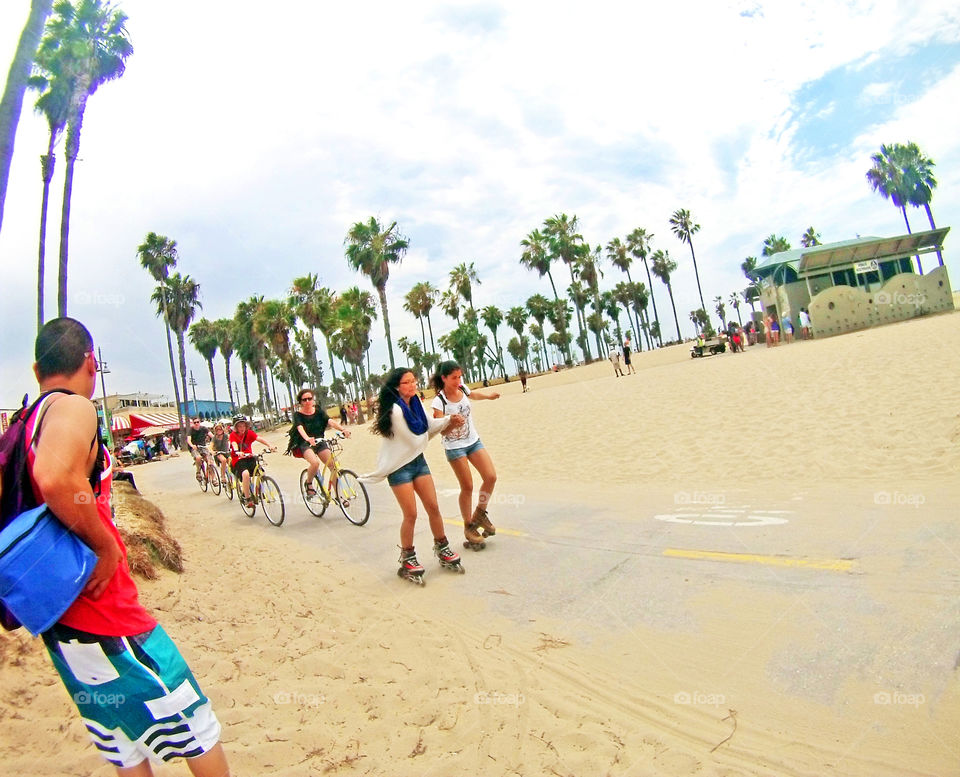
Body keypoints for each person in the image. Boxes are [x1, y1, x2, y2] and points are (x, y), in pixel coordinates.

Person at [24, 318, 229, 775]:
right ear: (90, 363)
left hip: (59, 620)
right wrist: (106, 548)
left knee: (121, 740)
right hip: (107, 614)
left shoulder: (25, 420)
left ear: (37, 368)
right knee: (196, 725)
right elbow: (55, 479)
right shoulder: (73, 408)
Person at [360, 368, 466, 582]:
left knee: (434, 507)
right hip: (399, 467)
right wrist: (446, 425)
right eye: (407, 382)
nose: (413, 385)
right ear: (397, 387)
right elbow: (416, 439)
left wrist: (447, 420)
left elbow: (427, 425)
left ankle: (442, 547)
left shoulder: (416, 403)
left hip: (418, 462)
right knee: (411, 515)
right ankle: (408, 557)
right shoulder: (395, 411)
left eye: (413, 381)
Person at [430, 361, 500, 549]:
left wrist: (488, 396)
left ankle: (480, 513)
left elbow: (472, 394)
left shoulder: (462, 387)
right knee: (467, 486)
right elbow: (440, 429)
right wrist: (451, 422)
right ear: (443, 378)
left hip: (473, 441)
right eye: (454, 378)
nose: (458, 380)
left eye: (460, 376)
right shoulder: (439, 401)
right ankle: (468, 526)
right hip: (455, 447)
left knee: (491, 477)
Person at [288, 388, 350, 497]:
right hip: (305, 444)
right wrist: (307, 438)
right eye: (304, 400)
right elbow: (299, 428)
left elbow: (330, 421)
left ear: (313, 400)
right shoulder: (298, 415)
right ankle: (309, 483)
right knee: (315, 463)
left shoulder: (319, 411)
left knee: (333, 466)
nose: (307, 401)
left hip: (320, 441)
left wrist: (342, 430)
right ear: (300, 402)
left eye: (309, 399)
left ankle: (339, 497)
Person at [229, 414, 276, 507]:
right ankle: (247, 498)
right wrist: (237, 451)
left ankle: (258, 491)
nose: (242, 428)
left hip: (250, 457)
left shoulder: (249, 433)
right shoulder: (233, 435)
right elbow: (234, 444)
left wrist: (269, 445)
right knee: (245, 474)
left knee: (260, 471)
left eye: (243, 425)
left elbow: (259, 439)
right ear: (235, 427)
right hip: (238, 460)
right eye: (239, 426)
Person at [186, 418, 211, 482]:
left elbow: (211, 435)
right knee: (198, 457)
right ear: (193, 423)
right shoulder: (191, 430)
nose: (196, 423)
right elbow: (188, 439)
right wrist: (192, 445)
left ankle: (207, 475)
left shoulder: (204, 428)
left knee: (209, 460)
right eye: (195, 422)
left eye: (198, 422)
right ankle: (198, 472)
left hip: (203, 446)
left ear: (200, 422)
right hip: (194, 447)